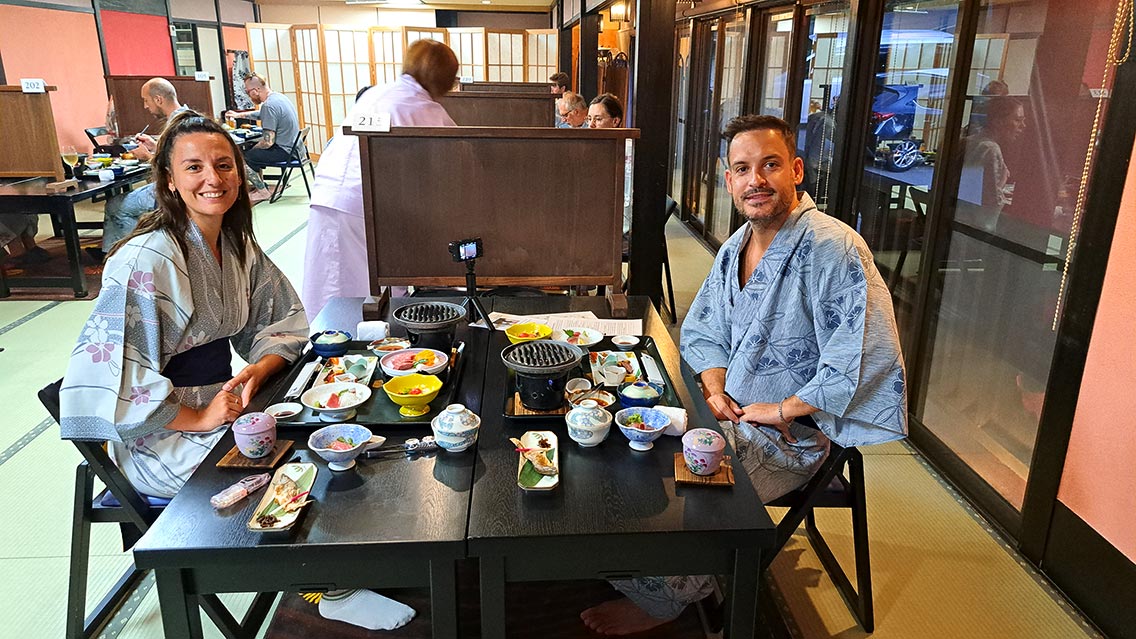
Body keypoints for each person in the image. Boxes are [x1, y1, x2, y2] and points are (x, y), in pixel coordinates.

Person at [59, 111, 414, 632]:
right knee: (296, 460)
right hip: (162, 436)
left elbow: (283, 323)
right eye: (194, 167)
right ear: (169, 179)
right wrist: (199, 417)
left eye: (223, 165)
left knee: (332, 429)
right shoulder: (145, 262)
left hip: (227, 404)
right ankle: (328, 588)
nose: (212, 179)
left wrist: (258, 369)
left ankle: (346, 557)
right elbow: (113, 378)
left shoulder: (235, 244)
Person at [580, 114, 908, 635]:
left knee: (688, 490)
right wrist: (713, 385)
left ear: (795, 170)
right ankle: (643, 565)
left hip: (793, 436)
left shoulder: (834, 248)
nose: (756, 180)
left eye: (770, 165)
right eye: (742, 168)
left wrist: (780, 409)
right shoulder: (738, 245)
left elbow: (866, 353)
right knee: (626, 450)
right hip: (731, 412)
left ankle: (667, 599)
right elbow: (705, 328)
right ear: (728, 179)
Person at [301, 39, 459, 322]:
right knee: (368, 292)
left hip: (329, 191)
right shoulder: (424, 109)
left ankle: (333, 345)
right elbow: (458, 162)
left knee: (333, 283)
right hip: (363, 201)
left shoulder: (378, 92)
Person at [93, 78, 191, 261]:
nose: (146, 106)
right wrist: (155, 146)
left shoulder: (178, 124)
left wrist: (147, 157)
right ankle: (112, 252)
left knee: (116, 206)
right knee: (117, 202)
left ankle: (131, 257)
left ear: (159, 99)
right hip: (183, 186)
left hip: (177, 190)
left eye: (146, 100)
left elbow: (180, 166)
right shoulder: (186, 117)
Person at [225, 73, 300, 174]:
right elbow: (263, 114)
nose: (248, 96)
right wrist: (239, 115)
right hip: (297, 149)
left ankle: (261, 189)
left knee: (245, 156)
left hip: (286, 152)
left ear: (255, 91)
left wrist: (253, 149)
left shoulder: (269, 105)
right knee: (252, 150)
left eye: (248, 92)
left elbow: (268, 142)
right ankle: (259, 184)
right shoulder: (279, 98)